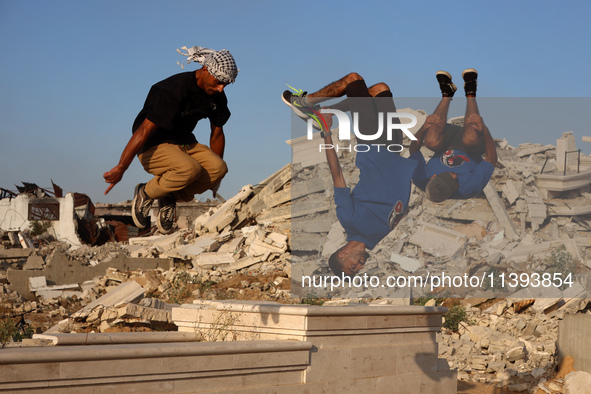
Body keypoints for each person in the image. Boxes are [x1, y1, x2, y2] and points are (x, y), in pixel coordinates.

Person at [283, 73, 420, 277]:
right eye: (359, 270)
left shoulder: (348, 219)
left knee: (353, 80)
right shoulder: (379, 236)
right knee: (379, 89)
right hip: (394, 146)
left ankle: (305, 103)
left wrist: (326, 133)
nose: (361, 266)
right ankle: (324, 111)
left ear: (342, 254)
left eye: (352, 267)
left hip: (372, 145)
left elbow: (337, 174)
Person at [103, 46, 238, 234]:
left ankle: (169, 196)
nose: (221, 88)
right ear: (206, 70)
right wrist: (121, 167)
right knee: (190, 169)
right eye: (218, 82)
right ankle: (146, 193)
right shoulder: (173, 89)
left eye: (225, 84)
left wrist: (214, 180)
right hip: (153, 144)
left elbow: (217, 133)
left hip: (184, 143)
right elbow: (143, 130)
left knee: (219, 168)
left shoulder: (217, 96)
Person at [409, 69, 497, 202]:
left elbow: (413, 149)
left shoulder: (421, 178)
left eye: (449, 176)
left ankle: (447, 93)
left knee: (431, 141)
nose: (455, 177)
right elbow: (491, 160)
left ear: (432, 177)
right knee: (470, 139)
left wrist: (424, 126)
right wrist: (484, 129)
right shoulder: (469, 188)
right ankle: (470, 91)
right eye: (454, 183)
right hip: (471, 148)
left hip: (446, 141)